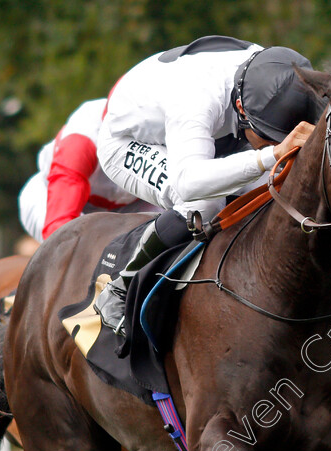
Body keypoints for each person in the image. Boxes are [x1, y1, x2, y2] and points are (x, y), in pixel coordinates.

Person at [94, 35, 317, 336]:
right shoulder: (196, 96)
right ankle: (121, 288)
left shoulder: (278, 74)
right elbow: (188, 183)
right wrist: (271, 154)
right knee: (203, 204)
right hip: (129, 143)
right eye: (269, 135)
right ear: (241, 106)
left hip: (212, 134)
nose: (278, 143)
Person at [18, 98, 160, 243]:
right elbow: (59, 229)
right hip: (51, 197)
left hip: (133, 203)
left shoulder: (167, 122)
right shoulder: (79, 144)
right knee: (79, 249)